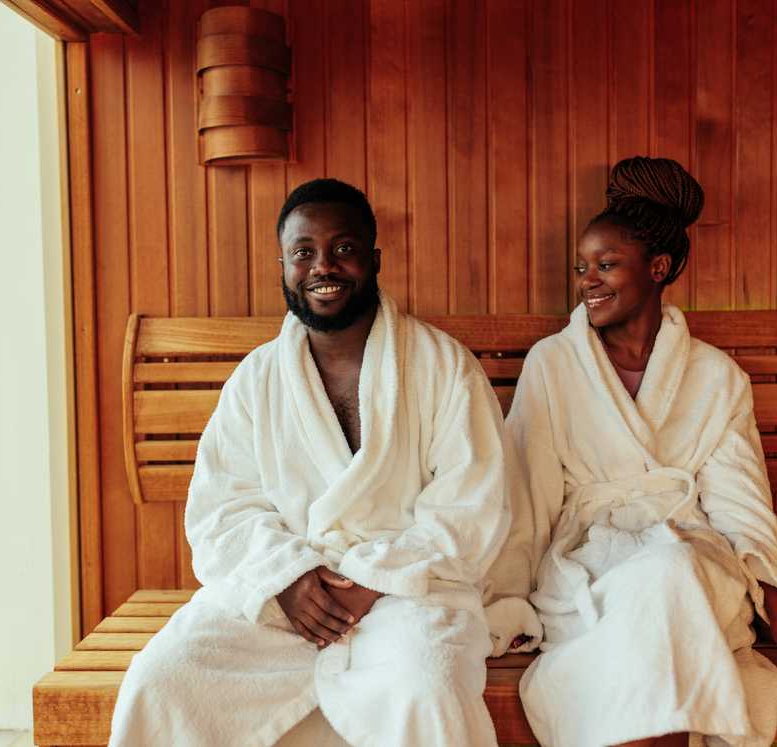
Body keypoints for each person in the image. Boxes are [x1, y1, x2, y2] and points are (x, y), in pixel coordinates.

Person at [483, 157, 777, 747]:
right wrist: (506, 603)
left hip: (693, 557)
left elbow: (741, 504)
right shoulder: (554, 365)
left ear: (658, 267)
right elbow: (528, 497)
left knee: (669, 572)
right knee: (653, 599)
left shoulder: (716, 377)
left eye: (607, 265)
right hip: (591, 565)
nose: (588, 280)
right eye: (581, 267)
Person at [109, 178, 510, 747]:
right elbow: (223, 508)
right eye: (304, 252)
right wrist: (289, 579)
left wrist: (373, 580)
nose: (324, 266)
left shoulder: (443, 367)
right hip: (285, 597)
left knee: (426, 686)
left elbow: (473, 503)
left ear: (373, 259)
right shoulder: (257, 379)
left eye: (343, 249)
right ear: (284, 265)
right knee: (164, 679)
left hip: (409, 594)